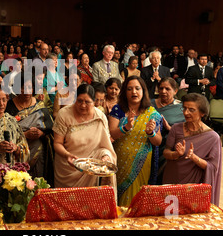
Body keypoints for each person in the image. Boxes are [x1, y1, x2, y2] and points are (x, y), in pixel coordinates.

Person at [108, 75, 163, 206]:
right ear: (124, 92)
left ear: (143, 91)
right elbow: (112, 134)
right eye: (129, 89)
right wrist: (126, 127)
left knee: (137, 200)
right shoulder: (118, 109)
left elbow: (158, 141)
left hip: (142, 162)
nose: (134, 92)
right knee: (119, 200)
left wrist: (151, 133)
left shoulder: (151, 112)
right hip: (120, 161)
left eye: (137, 88)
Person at [53, 84, 117, 191]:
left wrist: (106, 157)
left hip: (90, 168)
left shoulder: (100, 117)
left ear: (94, 102)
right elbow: (57, 143)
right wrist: (67, 155)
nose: (83, 105)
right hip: (67, 168)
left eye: (87, 102)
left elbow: (105, 146)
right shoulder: (64, 114)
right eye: (79, 101)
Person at [162, 93, 222, 206]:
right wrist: (176, 154)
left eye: (191, 110)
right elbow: (166, 152)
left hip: (194, 187)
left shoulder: (213, 137)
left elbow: (213, 167)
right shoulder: (176, 128)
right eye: (184, 108)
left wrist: (193, 157)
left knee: (191, 221)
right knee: (170, 219)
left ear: (202, 113)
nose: (186, 113)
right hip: (172, 180)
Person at [5, 72, 54, 185]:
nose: (26, 91)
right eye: (23, 88)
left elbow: (50, 127)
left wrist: (41, 133)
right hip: (16, 153)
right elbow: (4, 131)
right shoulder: (9, 106)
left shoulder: (39, 106)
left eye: (29, 87)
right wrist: (25, 135)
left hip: (38, 151)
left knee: (37, 182)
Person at [150, 77, 185, 183]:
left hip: (169, 148)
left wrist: (170, 129)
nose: (163, 91)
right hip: (149, 145)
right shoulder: (149, 104)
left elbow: (186, 130)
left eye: (167, 89)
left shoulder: (181, 108)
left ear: (175, 91)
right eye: (161, 88)